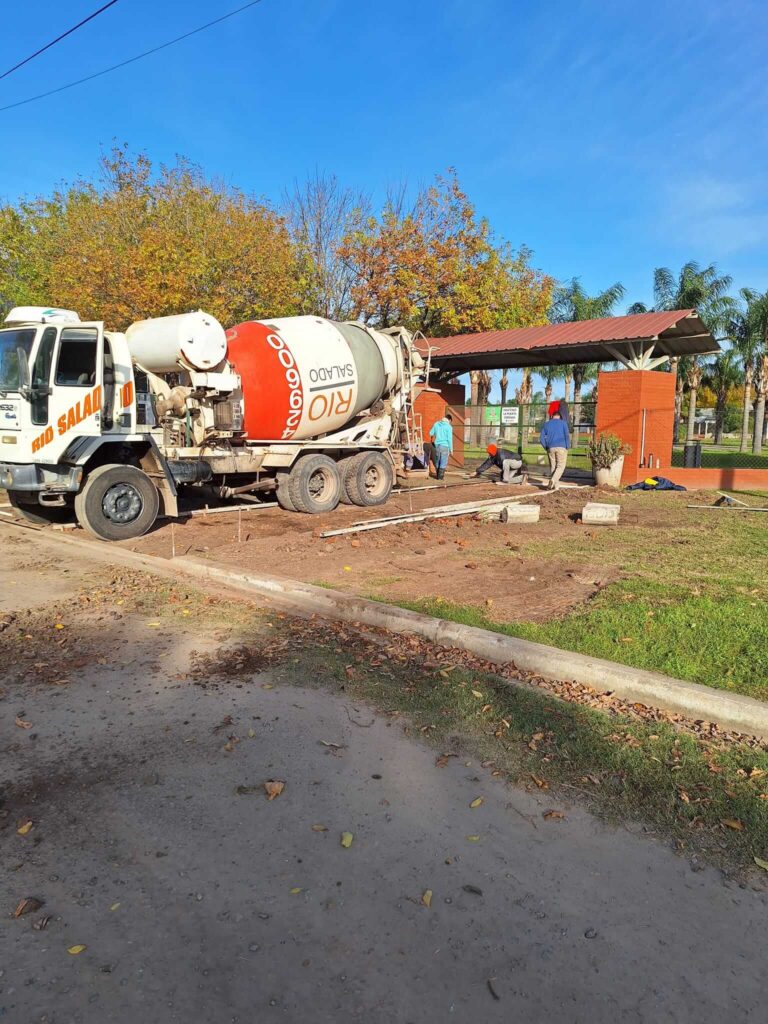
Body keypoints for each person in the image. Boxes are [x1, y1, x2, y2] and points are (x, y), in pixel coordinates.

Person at [540, 409, 570, 490]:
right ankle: (553, 480)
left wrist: (546, 446)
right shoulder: (563, 423)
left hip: (550, 448)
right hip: (562, 447)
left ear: (552, 416)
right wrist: (568, 446)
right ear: (560, 416)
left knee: (553, 466)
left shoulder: (546, 424)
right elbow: (567, 435)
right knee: (560, 466)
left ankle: (555, 487)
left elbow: (541, 438)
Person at [429, 412, 453, 480]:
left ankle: (437, 476)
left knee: (437, 461)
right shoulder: (449, 427)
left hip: (437, 446)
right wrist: (451, 449)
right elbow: (450, 439)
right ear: (449, 420)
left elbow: (430, 433)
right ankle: (440, 477)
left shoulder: (436, 424)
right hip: (445, 446)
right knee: (443, 462)